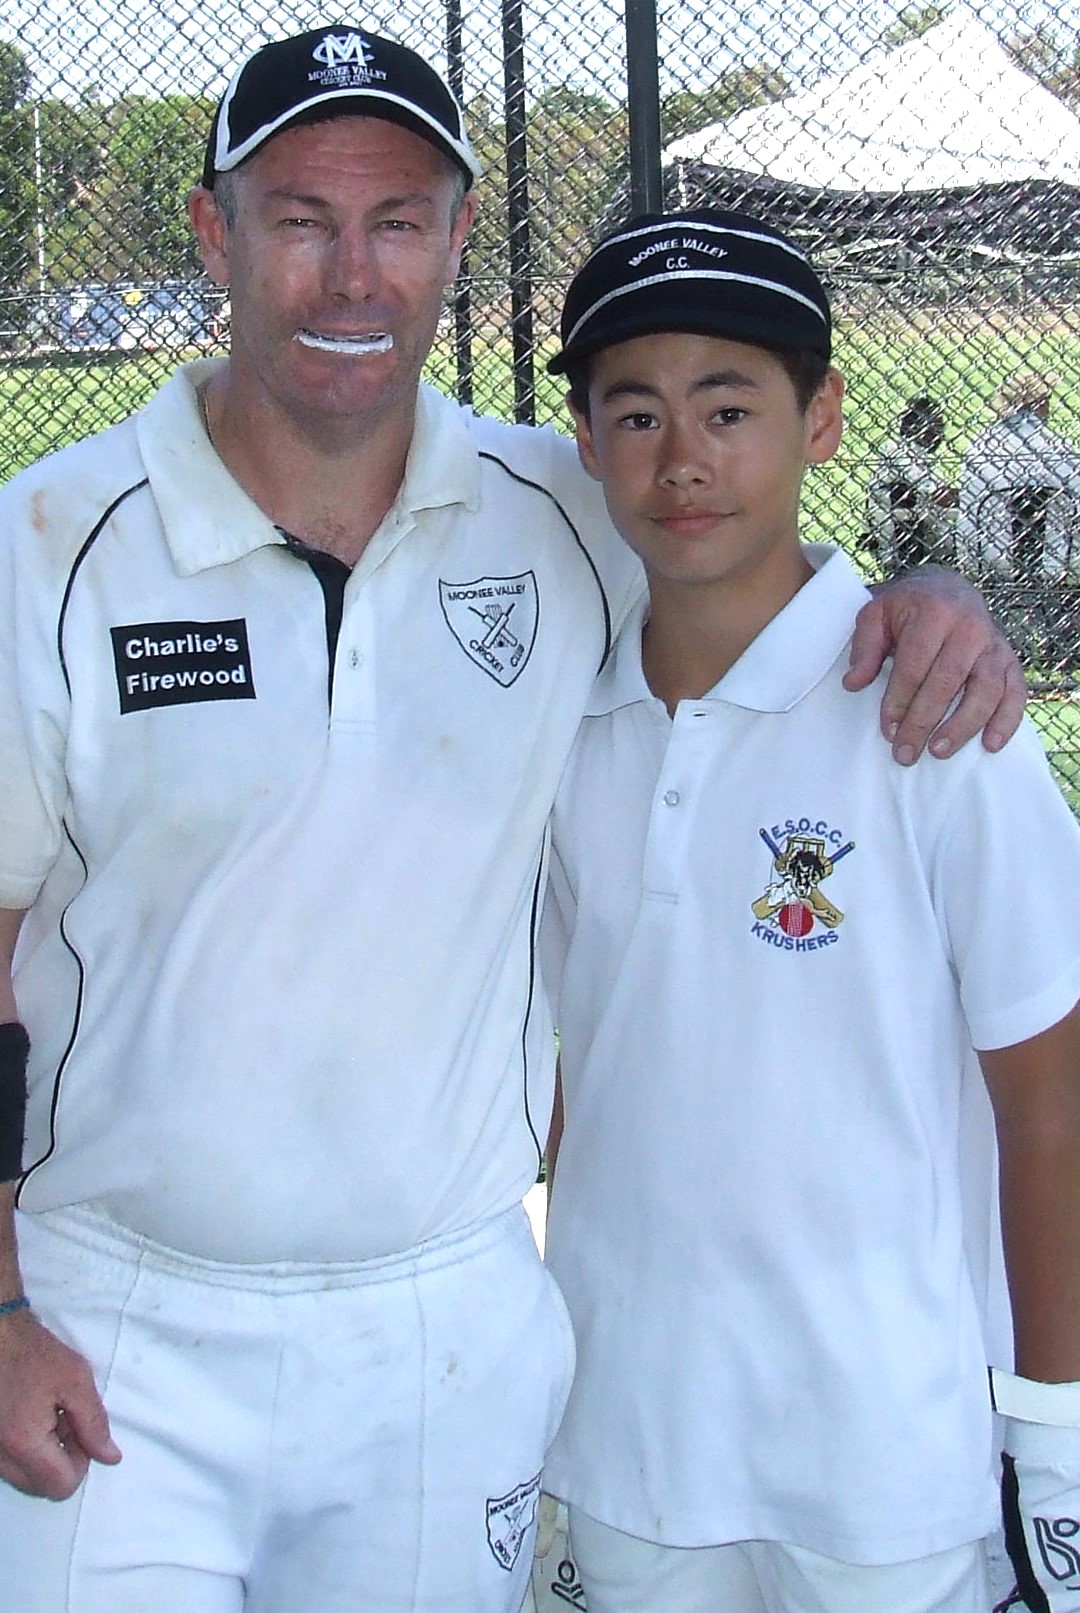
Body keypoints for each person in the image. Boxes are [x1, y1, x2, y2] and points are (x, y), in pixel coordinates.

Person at [0, 29, 1023, 1613]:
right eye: (299, 219)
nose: (353, 275)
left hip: (442, 1323)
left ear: (459, 240)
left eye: (399, 220)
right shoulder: (51, 545)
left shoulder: (565, 511)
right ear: (212, 233)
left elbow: (750, 571)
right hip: (120, 1326)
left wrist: (929, 604)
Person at [538, 209, 1080, 1613]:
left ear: (823, 418)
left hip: (889, 1470)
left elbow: (1051, 1103)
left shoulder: (942, 717)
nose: (685, 458)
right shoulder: (558, 726)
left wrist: (1057, 1428)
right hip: (631, 1444)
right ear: (586, 445)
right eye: (638, 413)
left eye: (732, 405)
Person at [957, 373, 1080, 669]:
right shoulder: (1063, 449)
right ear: (1040, 405)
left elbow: (969, 515)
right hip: (1056, 562)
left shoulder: (981, 449)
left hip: (992, 559)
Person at [866, 394, 955, 573]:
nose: (940, 435)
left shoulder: (916, 453)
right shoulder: (899, 451)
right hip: (899, 538)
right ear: (915, 427)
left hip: (918, 528)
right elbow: (937, 494)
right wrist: (969, 496)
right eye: (936, 426)